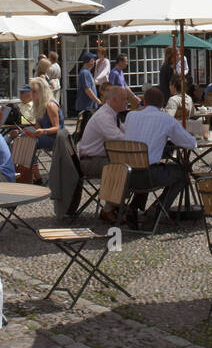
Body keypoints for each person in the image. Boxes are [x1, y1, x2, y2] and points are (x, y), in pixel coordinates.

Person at [117, 86, 199, 229]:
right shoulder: (166, 119)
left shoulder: (131, 116)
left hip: (127, 174)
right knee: (182, 173)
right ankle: (157, 210)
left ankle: (134, 207)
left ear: (145, 102)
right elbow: (191, 143)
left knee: (143, 163)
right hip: (148, 176)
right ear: (162, 104)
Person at [78, 85, 128, 179]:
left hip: (98, 158)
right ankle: (115, 193)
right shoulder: (104, 116)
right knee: (128, 166)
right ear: (114, 100)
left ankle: (128, 192)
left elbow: (124, 132)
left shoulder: (111, 113)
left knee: (135, 165)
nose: (127, 102)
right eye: (124, 99)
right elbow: (120, 140)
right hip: (91, 162)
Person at [23, 75, 63, 152]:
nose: (31, 93)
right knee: (20, 138)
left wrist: (44, 131)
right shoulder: (39, 105)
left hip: (54, 138)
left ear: (41, 92)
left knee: (25, 142)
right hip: (45, 136)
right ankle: (25, 163)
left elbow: (57, 128)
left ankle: (27, 163)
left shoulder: (50, 105)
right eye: (31, 90)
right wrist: (26, 131)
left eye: (34, 91)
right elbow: (38, 127)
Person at [75, 53, 101, 136]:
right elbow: (87, 89)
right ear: (87, 62)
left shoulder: (87, 72)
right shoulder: (84, 73)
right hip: (86, 107)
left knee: (86, 130)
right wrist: (98, 101)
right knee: (84, 131)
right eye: (92, 61)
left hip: (89, 106)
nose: (94, 62)